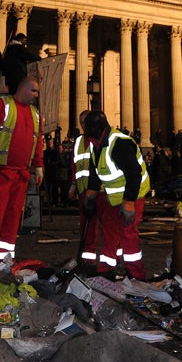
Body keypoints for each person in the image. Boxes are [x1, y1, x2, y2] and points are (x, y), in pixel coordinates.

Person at [0, 76, 44, 267]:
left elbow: (37, 141)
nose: (36, 95)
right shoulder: (2, 104)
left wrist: (38, 165)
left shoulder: (35, 114)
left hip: (19, 173)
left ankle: (5, 258)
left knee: (12, 217)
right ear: (23, 88)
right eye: (34, 90)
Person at [80, 111, 149, 280]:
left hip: (134, 195)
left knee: (127, 233)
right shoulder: (96, 143)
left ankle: (136, 274)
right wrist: (91, 195)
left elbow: (134, 174)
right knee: (110, 231)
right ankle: (105, 269)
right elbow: (94, 171)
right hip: (114, 197)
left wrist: (130, 202)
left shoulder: (120, 144)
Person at [68, 110, 102, 273]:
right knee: (86, 226)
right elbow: (75, 165)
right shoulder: (79, 141)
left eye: (85, 122)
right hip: (83, 190)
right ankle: (87, 258)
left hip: (98, 190)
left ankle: (107, 261)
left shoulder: (98, 139)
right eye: (80, 122)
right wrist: (73, 185)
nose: (83, 125)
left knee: (100, 226)